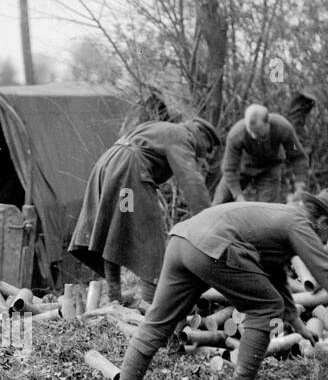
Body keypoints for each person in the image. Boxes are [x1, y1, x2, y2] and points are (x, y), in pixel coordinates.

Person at [112, 188, 328, 380]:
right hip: (212, 245)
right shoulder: (299, 223)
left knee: (156, 325)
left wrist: (294, 319)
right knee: (265, 308)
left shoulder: (281, 217)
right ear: (324, 222)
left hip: (182, 240)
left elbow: (273, 273)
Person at [69, 118, 220, 306]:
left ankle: (115, 294)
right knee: (151, 236)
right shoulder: (182, 136)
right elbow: (191, 180)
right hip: (128, 170)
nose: (205, 154)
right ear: (201, 134)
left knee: (113, 229)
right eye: (208, 147)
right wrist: (210, 220)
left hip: (107, 164)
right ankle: (152, 303)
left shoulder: (162, 127)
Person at [211, 104, 309, 206]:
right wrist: (238, 196)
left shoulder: (283, 128)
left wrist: (299, 186)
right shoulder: (236, 134)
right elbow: (229, 169)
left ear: (268, 123)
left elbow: (298, 157)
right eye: (251, 133)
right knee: (219, 203)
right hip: (242, 168)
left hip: (269, 169)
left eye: (258, 133)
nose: (254, 137)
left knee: (266, 210)